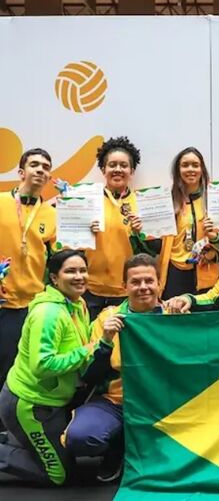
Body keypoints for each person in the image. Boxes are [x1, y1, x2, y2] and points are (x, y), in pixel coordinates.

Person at [0, 251, 118, 485]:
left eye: (82, 270)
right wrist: (88, 351)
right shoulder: (49, 313)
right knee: (57, 476)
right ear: (54, 278)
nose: (79, 276)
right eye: (70, 271)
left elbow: (83, 339)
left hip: (53, 401)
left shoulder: (78, 303)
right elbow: (43, 365)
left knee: (69, 461)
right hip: (31, 402)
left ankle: (15, 439)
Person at [64, 254, 163, 483]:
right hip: (116, 401)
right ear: (124, 286)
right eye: (135, 282)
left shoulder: (173, 316)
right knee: (81, 437)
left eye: (149, 281)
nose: (143, 287)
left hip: (161, 404)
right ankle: (118, 446)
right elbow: (89, 375)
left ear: (159, 283)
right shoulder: (107, 319)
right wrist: (106, 342)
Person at [0, 149, 57, 398]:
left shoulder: (52, 214)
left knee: (17, 367)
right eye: (35, 165)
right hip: (3, 301)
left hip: (32, 304)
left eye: (45, 167)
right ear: (21, 172)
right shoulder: (1, 201)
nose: (40, 170)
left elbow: (59, 258)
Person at [149, 147, 219, 299]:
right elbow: (156, 245)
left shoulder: (215, 200)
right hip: (174, 271)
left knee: (201, 320)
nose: (190, 169)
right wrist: (142, 233)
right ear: (177, 170)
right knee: (174, 318)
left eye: (195, 165)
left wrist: (213, 254)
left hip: (203, 269)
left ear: (202, 169)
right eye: (185, 165)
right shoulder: (166, 201)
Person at [83, 136, 145, 318]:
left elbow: (154, 250)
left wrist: (140, 233)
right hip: (89, 289)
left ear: (132, 171)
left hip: (127, 291)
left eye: (124, 165)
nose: (118, 169)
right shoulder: (87, 200)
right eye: (112, 165)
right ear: (103, 169)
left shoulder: (142, 203)